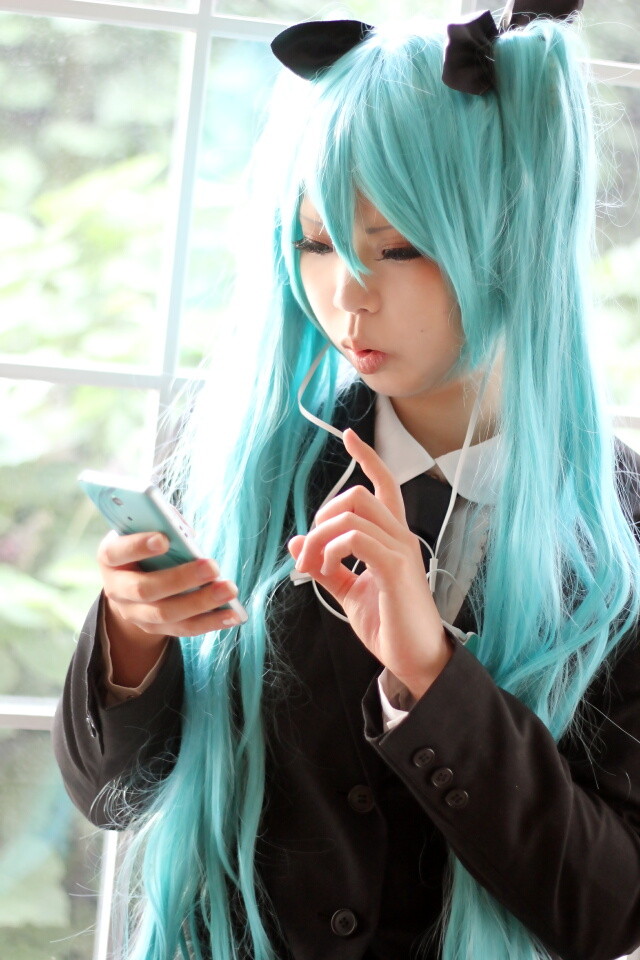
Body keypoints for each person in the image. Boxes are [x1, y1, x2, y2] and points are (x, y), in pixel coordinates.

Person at [53, 3, 640, 960]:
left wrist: (430, 676)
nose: (346, 296)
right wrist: (132, 635)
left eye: (398, 248)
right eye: (316, 244)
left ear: (514, 238)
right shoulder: (240, 471)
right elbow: (112, 795)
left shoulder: (626, 536)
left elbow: (608, 910)